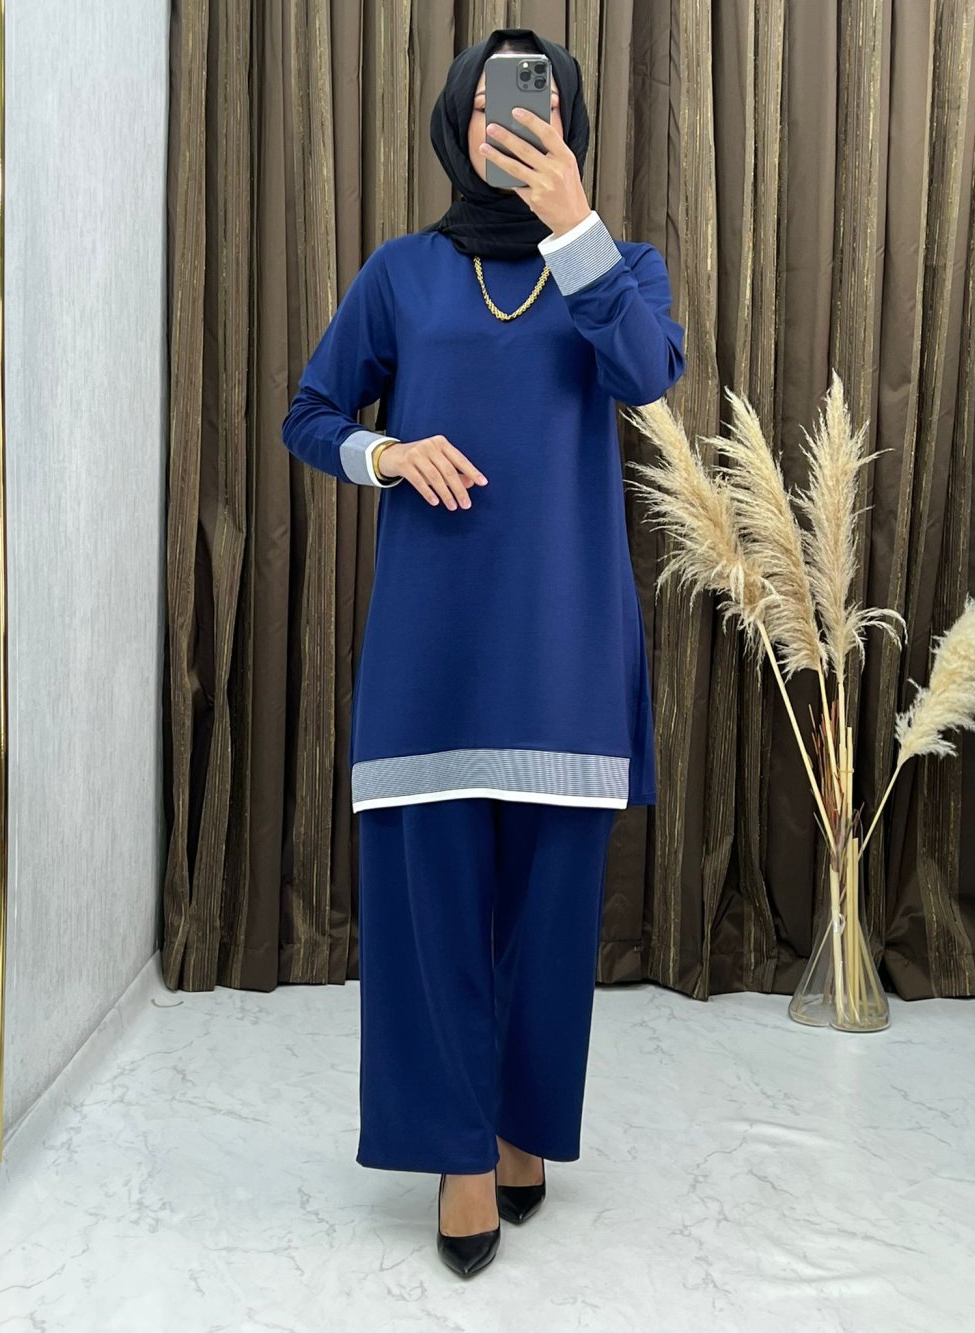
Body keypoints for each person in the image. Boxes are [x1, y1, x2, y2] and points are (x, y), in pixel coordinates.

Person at [281, 26, 685, 1278]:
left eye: (537, 103)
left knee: (551, 921)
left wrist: (575, 228)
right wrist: (387, 453)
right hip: (432, 648)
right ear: (458, 120)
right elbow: (311, 412)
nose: (511, 122)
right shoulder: (401, 272)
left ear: (567, 125)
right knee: (430, 914)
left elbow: (647, 376)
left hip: (564, 640)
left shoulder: (619, 265)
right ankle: (460, 1154)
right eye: (492, 104)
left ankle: (521, 1124)